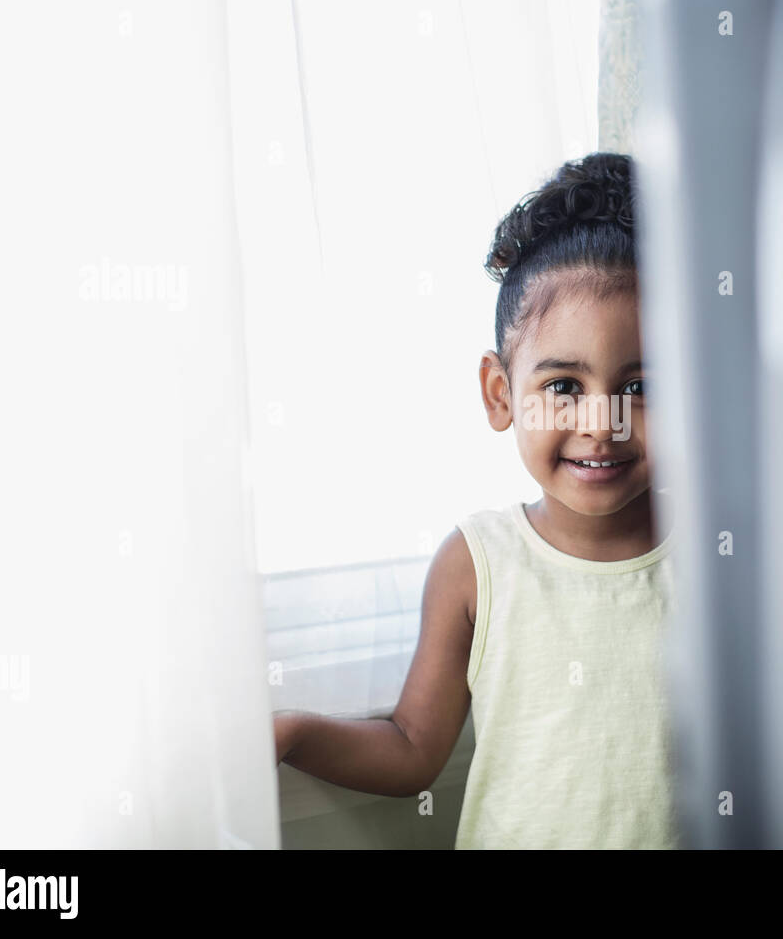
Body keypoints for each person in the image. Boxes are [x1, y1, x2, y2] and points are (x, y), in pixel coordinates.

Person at [273, 152, 679, 848]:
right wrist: (295, 732)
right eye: (563, 388)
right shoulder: (477, 564)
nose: (600, 423)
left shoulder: (723, 549)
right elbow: (410, 748)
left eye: (639, 388)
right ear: (500, 395)